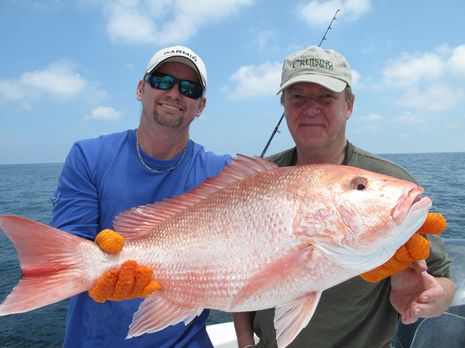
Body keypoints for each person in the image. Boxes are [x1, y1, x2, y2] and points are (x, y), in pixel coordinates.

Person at [232, 45, 456, 348]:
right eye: (298, 97)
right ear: (283, 104)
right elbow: (237, 277)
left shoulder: (393, 186)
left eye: (327, 96)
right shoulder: (255, 183)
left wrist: (431, 298)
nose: (311, 108)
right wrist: (245, 343)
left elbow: (442, 281)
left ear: (349, 104)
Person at [50, 45, 230, 347]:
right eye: (161, 81)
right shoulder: (89, 155)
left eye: (189, 88)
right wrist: (95, 258)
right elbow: (66, 252)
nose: (174, 92)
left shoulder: (221, 172)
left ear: (201, 106)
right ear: (140, 89)